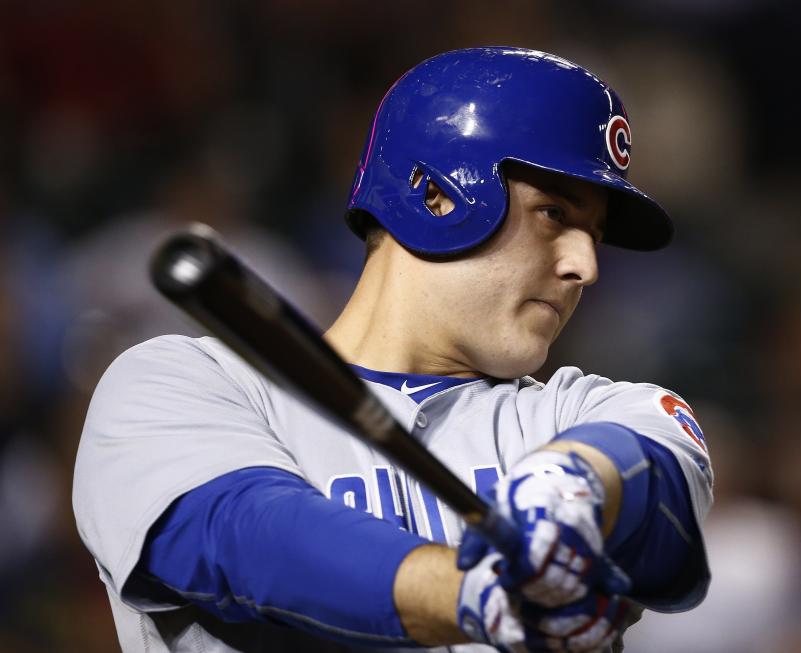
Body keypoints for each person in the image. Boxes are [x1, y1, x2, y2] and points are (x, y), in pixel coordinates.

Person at [73, 47, 713, 653]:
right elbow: (242, 540)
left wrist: (574, 481)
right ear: (434, 195)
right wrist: (475, 595)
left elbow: (657, 492)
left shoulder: (578, 413)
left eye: (594, 234)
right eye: (554, 214)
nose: (585, 266)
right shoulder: (184, 383)